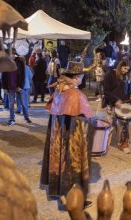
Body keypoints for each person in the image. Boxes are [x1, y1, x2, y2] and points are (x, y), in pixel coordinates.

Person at [40, 61, 95, 207]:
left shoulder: (59, 91)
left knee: (61, 162)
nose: (82, 78)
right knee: (73, 166)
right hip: (71, 139)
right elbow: (83, 122)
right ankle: (75, 200)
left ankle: (58, 190)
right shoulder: (77, 96)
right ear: (77, 77)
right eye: (82, 75)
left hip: (59, 138)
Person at [103, 60, 131, 154]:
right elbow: (106, 91)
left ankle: (123, 143)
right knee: (109, 124)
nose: (126, 71)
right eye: (124, 68)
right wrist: (116, 100)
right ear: (120, 66)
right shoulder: (110, 75)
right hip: (111, 104)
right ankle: (104, 143)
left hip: (123, 104)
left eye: (128, 70)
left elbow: (129, 87)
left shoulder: (126, 76)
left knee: (124, 124)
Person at [16, 56, 33, 123]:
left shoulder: (18, 68)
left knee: (23, 102)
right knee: (25, 102)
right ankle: (25, 116)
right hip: (26, 86)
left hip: (21, 87)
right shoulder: (27, 68)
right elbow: (30, 77)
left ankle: (26, 116)